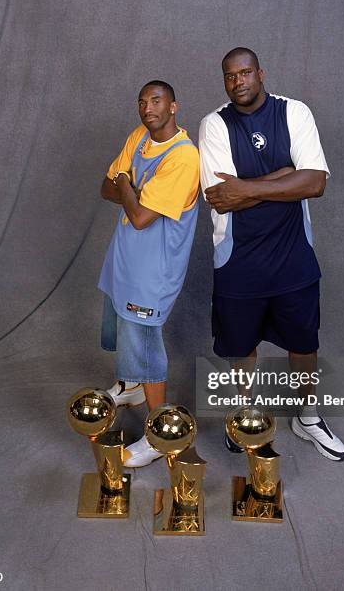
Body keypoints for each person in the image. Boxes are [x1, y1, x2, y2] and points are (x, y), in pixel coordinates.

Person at [199, 48, 344, 461]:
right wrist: (284, 176)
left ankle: (308, 415)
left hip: (293, 254)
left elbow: (315, 183)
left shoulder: (294, 113)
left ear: (260, 74)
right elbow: (220, 198)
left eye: (245, 72)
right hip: (236, 258)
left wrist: (247, 187)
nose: (238, 81)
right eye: (230, 76)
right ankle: (245, 414)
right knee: (240, 346)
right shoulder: (214, 124)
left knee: (303, 342)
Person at [98, 80, 200, 467]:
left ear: (174, 106)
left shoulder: (184, 157)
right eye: (142, 102)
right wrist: (127, 187)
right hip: (123, 257)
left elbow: (139, 217)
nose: (147, 108)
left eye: (156, 101)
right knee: (121, 323)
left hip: (151, 268)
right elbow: (105, 188)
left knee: (145, 341)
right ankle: (131, 385)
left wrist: (125, 180)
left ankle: (158, 436)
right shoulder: (140, 135)